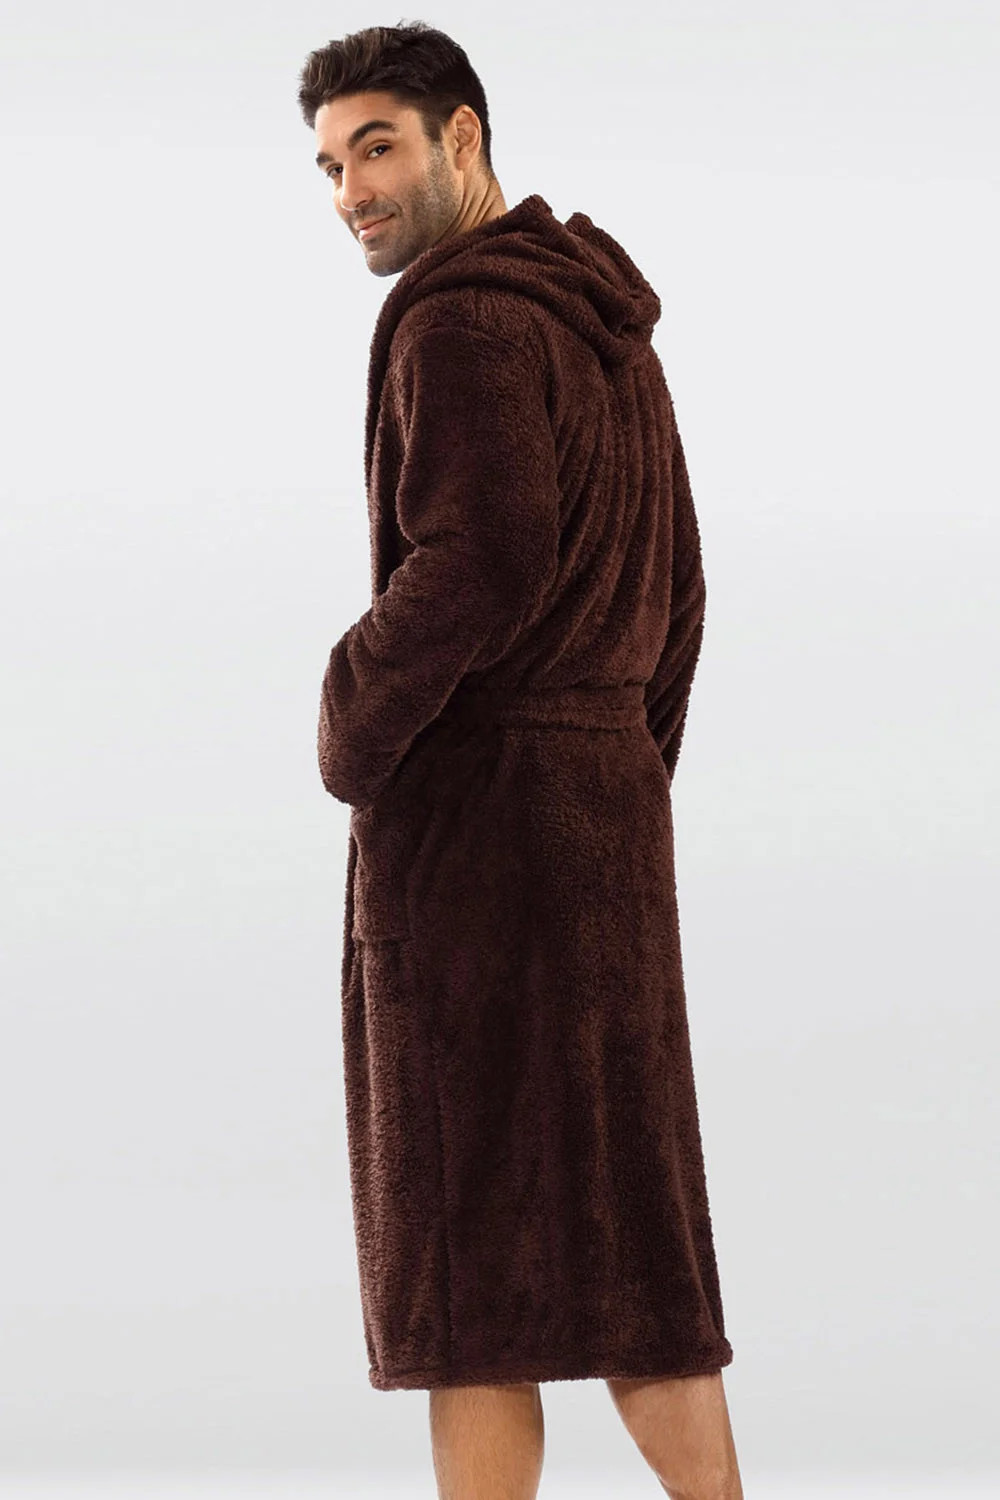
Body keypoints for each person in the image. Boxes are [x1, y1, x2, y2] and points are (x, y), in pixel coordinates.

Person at [298, 21, 744, 1500]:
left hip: (478, 853)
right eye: (329, 165)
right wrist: (614, 774)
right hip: (602, 832)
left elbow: (473, 566)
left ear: (463, 137)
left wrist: (351, 722)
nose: (352, 190)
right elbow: (679, 597)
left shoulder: (463, 321)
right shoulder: (601, 323)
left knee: (470, 1280)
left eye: (377, 147)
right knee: (634, 1265)